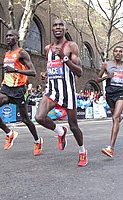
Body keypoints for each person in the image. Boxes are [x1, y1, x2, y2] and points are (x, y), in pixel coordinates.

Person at [35, 19, 88, 167]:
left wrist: (64, 58)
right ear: (52, 29)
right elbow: (54, 67)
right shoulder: (47, 49)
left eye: (60, 25)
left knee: (74, 126)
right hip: (52, 90)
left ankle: (82, 151)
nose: (58, 27)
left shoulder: (71, 46)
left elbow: (79, 72)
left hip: (68, 92)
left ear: (65, 28)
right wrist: (46, 74)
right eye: (55, 25)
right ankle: (60, 131)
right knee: (39, 117)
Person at [0, 29, 42, 156]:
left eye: (11, 35)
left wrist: (15, 70)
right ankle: (9, 133)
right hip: (6, 88)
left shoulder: (22, 53)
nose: (8, 37)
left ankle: (37, 140)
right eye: (6, 35)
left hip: (19, 90)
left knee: (25, 119)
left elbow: (33, 72)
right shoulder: (7, 53)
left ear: (17, 38)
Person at [97, 46, 123, 158]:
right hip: (110, 94)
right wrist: (107, 76)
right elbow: (97, 79)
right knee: (116, 117)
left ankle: (110, 148)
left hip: (121, 93)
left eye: (120, 51)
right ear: (113, 53)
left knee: (115, 118)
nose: (118, 53)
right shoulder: (106, 64)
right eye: (116, 51)